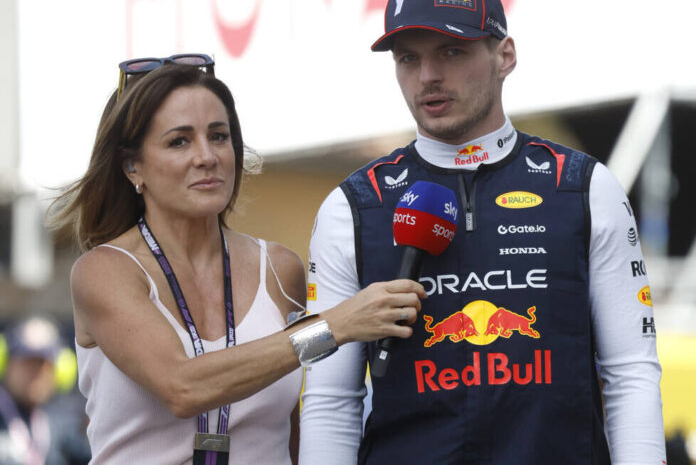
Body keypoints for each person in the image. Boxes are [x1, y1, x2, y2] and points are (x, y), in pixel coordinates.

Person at [299, 0, 666, 464]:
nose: (428, 76)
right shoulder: (353, 206)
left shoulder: (583, 186)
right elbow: (331, 400)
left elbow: (631, 372)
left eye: (452, 51)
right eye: (409, 58)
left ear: (505, 56)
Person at [48, 56, 425, 465]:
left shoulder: (279, 268)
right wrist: (333, 326)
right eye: (179, 141)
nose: (206, 156)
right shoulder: (105, 271)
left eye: (219, 136)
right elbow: (183, 387)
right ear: (132, 166)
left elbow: (292, 424)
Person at [0, 314, 89, 465]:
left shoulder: (62, 426)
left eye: (43, 365)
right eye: (27, 362)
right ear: (6, 364)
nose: (35, 374)